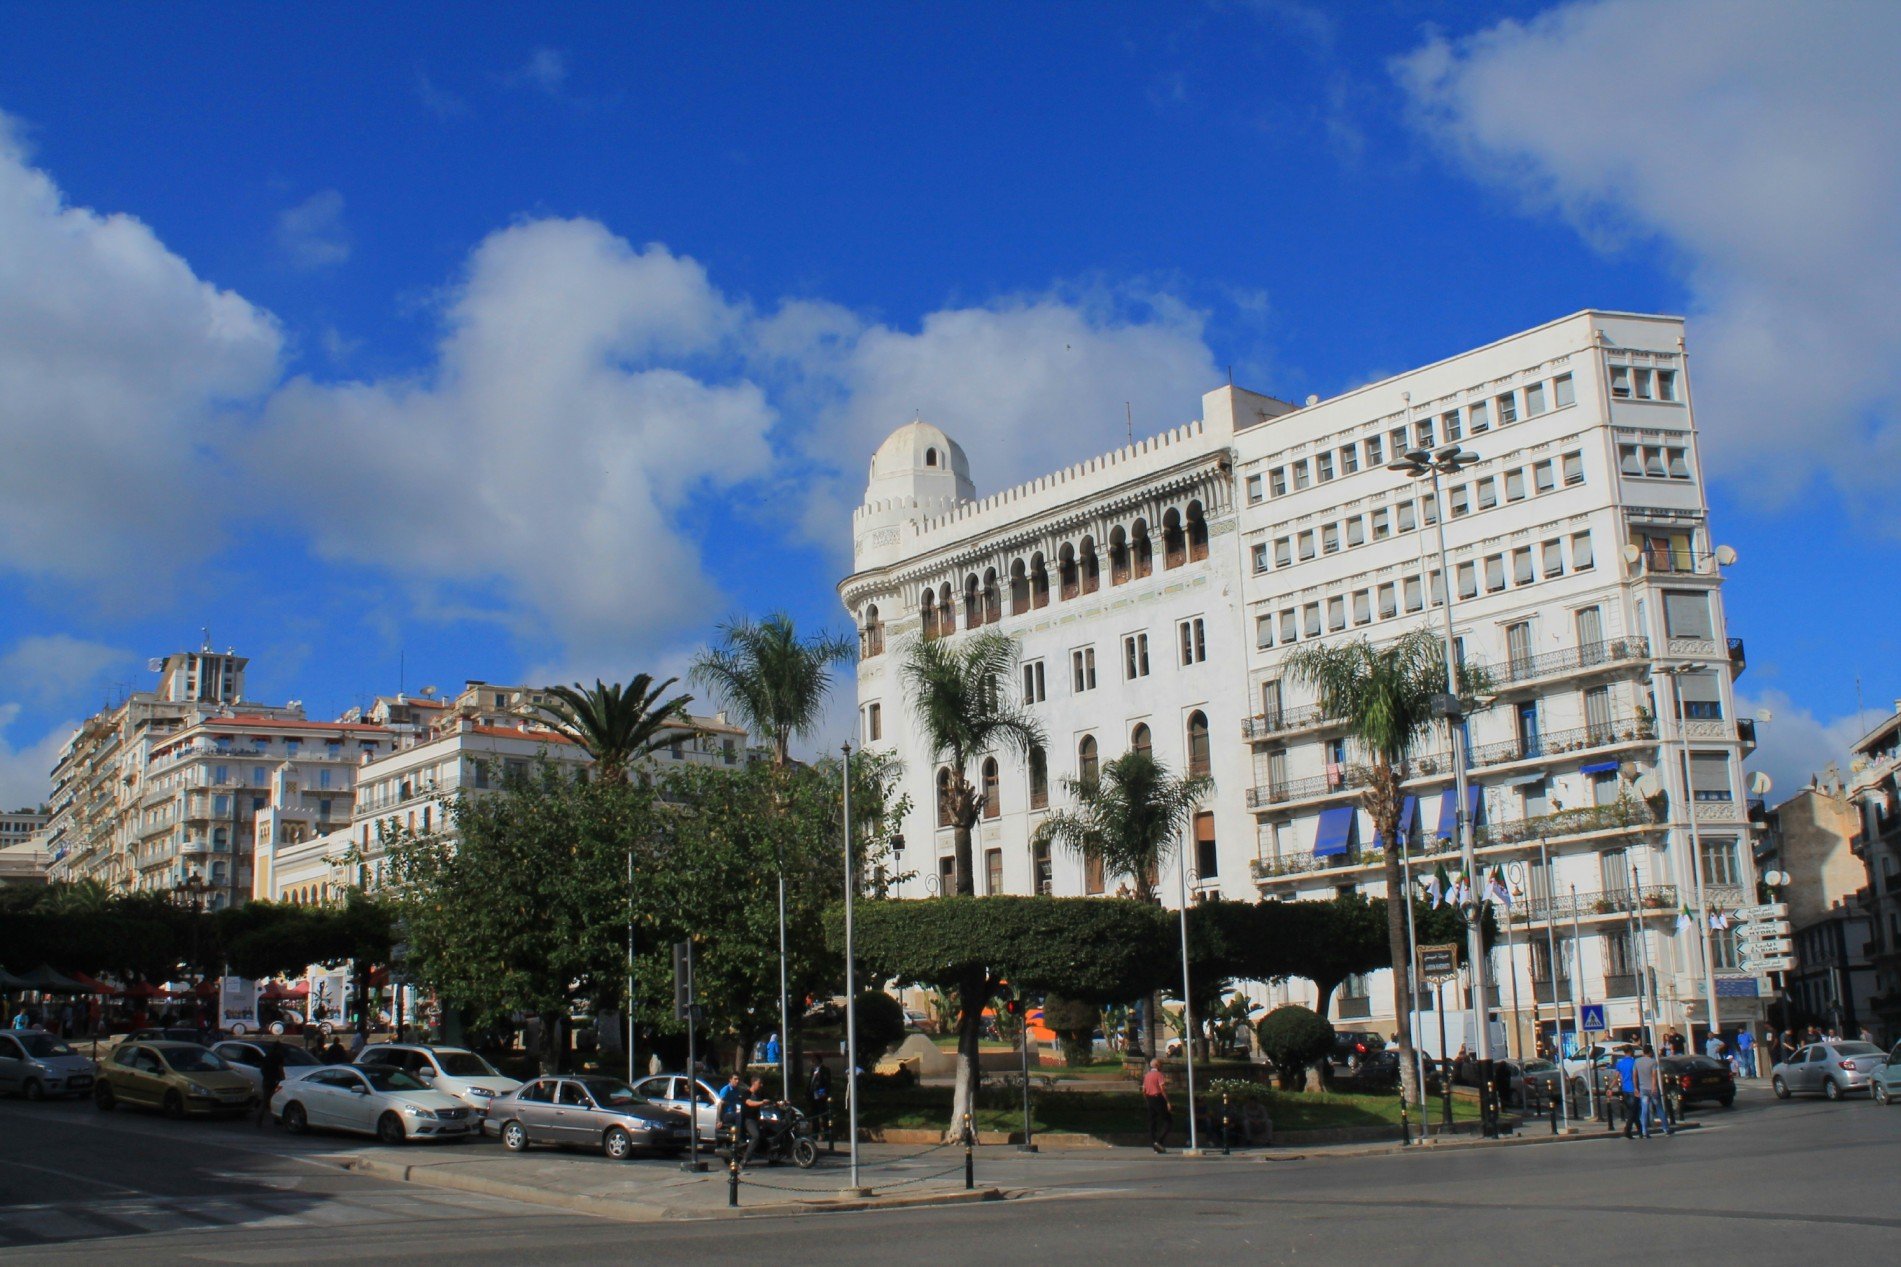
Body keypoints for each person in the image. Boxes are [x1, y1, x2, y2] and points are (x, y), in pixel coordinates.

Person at [1632, 1045, 1669, 1139]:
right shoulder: (1653, 1062)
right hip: (1652, 1089)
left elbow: (1635, 1075)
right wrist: (1654, 1087)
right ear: (1650, 1052)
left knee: (1644, 1110)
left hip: (1643, 1089)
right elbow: (1654, 1076)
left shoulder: (1637, 1061)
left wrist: (1635, 1088)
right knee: (1659, 1108)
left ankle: (1644, 1130)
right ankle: (1665, 1128)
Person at [738, 1077, 773, 1166]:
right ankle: (745, 1159)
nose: (761, 1085)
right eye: (759, 1083)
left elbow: (769, 1100)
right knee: (756, 1136)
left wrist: (780, 1103)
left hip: (757, 1119)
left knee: (771, 1129)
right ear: (753, 1083)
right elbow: (749, 1103)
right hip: (748, 1120)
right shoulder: (746, 1093)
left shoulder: (759, 1094)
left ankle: (770, 1153)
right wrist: (762, 1102)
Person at [1142, 1058, 1171, 1154]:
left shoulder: (1147, 1075)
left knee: (1152, 1122)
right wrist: (1167, 1101)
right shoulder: (1159, 1075)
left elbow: (1143, 1090)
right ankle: (1159, 1141)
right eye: (1161, 1064)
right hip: (1158, 1098)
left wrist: (1147, 1100)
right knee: (1168, 1121)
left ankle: (1154, 1144)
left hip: (1150, 1098)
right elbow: (1162, 1088)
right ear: (1158, 1066)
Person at [255, 1043, 287, 1129]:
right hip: (275, 1080)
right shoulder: (279, 1057)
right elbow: (280, 1068)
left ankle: (259, 1118)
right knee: (277, 1099)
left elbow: (262, 1069)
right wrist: (283, 1078)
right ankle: (276, 1118)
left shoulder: (267, 1056)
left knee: (265, 1100)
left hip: (266, 1080)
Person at [1615, 1048, 1640, 1138]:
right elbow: (1635, 1076)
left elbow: (1616, 1077)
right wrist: (1636, 1087)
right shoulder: (1634, 1062)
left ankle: (1640, 1130)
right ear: (1630, 1052)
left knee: (1633, 1110)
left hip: (1625, 1089)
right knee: (1633, 1111)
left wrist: (1610, 1087)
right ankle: (1628, 1129)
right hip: (1633, 1089)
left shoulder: (1620, 1063)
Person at [807, 1059, 833, 1142]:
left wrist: (823, 1093)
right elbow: (811, 1082)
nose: (812, 1062)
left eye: (813, 1060)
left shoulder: (825, 1070)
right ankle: (815, 1134)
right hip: (813, 1095)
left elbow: (827, 1083)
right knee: (814, 1116)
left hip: (821, 1095)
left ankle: (826, 1134)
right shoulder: (812, 1070)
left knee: (823, 1115)